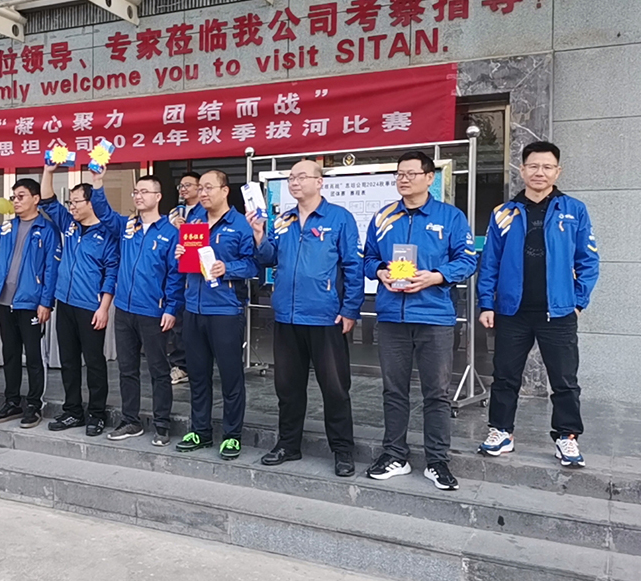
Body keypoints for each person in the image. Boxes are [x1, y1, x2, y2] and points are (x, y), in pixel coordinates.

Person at [477, 142, 598, 468]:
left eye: (547, 167)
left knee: (564, 379)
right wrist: (486, 303)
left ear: (557, 171)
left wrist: (578, 302)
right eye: (533, 166)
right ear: (522, 170)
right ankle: (501, 431)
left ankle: (567, 436)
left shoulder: (573, 210)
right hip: (512, 310)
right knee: (505, 376)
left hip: (558, 311)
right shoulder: (504, 213)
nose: (539, 172)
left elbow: (588, 260)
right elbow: (490, 262)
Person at [363, 151, 478, 491]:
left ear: (430, 178)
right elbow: (368, 258)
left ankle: (437, 460)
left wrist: (437, 276)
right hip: (392, 317)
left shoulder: (450, 217)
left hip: (434, 317)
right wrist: (380, 272)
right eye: (400, 173)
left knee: (436, 392)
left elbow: (467, 260)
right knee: (393, 390)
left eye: (411, 173)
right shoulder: (384, 216)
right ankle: (394, 455)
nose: (404, 179)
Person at [248, 160, 364, 476]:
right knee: (287, 387)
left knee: (335, 389)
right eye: (291, 177)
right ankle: (288, 444)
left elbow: (353, 267)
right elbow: (268, 258)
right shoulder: (283, 220)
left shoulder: (339, 218)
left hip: (326, 317)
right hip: (287, 316)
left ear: (319, 181)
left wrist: (350, 309)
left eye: (301, 177)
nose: (294, 182)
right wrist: (259, 235)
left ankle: (342, 449)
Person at [91, 167, 184, 447]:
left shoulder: (170, 232)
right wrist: (98, 182)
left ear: (158, 196)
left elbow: (175, 274)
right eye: (136, 192)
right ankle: (130, 420)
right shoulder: (127, 227)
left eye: (145, 191)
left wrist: (171, 308)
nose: (139, 196)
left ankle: (162, 424)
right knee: (127, 369)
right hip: (124, 309)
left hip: (153, 311)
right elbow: (104, 213)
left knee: (158, 370)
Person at [173, 171, 257, 460]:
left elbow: (253, 265)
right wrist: (181, 251)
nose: (203, 193)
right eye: (200, 188)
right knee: (198, 375)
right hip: (193, 308)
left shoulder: (241, 225)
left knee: (231, 377)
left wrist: (227, 268)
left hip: (225, 310)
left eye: (209, 187)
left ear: (225, 190)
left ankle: (232, 435)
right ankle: (200, 430)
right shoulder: (194, 222)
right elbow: (187, 259)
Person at [0, 178, 61, 429]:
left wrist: (46, 302)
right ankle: (12, 401)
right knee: (10, 354)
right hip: (4, 299)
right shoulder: (9, 226)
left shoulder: (47, 229)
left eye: (21, 196)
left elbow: (51, 268)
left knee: (33, 355)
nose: (16, 201)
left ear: (36, 199)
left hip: (31, 302)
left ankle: (34, 404)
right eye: (14, 197)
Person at [40, 164, 119, 437]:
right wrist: (48, 171)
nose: (71, 206)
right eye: (70, 202)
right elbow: (48, 201)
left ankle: (97, 413)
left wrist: (104, 308)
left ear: (91, 203)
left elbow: (112, 272)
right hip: (65, 302)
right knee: (69, 360)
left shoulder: (107, 233)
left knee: (94, 362)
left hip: (90, 306)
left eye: (76, 202)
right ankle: (73, 410)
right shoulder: (69, 225)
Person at [167, 171, 201, 385]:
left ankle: (192, 365)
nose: (183, 189)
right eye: (181, 185)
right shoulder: (175, 212)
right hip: (176, 270)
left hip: (196, 273)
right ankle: (180, 365)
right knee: (177, 321)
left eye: (188, 185)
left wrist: (186, 229)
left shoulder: (204, 211)